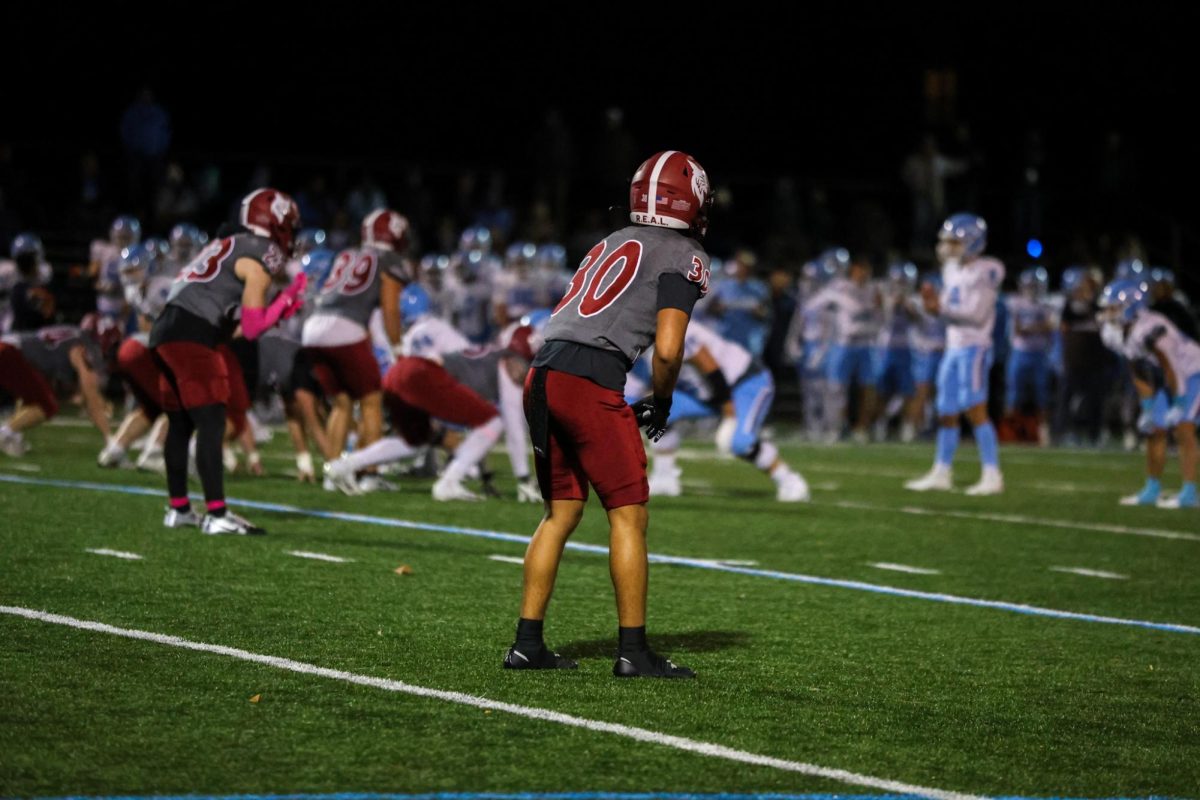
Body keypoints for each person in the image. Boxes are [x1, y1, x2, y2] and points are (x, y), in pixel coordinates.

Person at [506, 150, 712, 679]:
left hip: (544, 372)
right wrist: (662, 400)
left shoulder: (613, 239)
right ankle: (633, 652)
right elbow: (668, 349)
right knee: (628, 515)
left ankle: (527, 644)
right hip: (589, 380)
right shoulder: (683, 252)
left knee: (560, 513)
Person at [150, 188, 304, 535]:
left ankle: (179, 510)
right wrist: (285, 301)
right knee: (212, 420)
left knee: (181, 423)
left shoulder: (227, 244)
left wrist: (278, 308)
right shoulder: (263, 251)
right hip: (191, 332)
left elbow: (233, 328)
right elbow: (252, 329)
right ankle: (217, 514)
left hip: (167, 330)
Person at [905, 212, 1005, 495]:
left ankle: (992, 473)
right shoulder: (952, 270)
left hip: (975, 345)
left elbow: (976, 314)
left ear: (972, 242)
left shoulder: (986, 270)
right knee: (946, 411)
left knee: (975, 409)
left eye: (954, 242)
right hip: (953, 346)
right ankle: (942, 471)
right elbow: (946, 312)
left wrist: (941, 309)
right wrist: (932, 306)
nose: (948, 247)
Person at [1100, 279, 1200, 508]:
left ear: (1131, 306)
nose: (1108, 312)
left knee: (1184, 427)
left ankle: (1189, 492)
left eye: (1114, 307)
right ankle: (1152, 489)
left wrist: (1179, 402)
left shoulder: (1151, 327)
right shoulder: (1118, 332)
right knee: (1154, 428)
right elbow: (1137, 370)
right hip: (1171, 378)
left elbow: (1171, 365)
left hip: (1193, 373)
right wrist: (1146, 407)